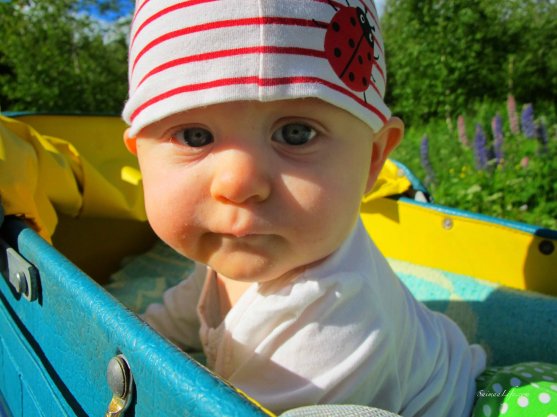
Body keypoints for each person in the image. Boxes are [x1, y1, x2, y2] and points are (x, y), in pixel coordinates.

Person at [120, 1, 556, 416]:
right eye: (195, 136)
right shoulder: (235, 245)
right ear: (140, 156)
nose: (238, 183)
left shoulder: (333, 329)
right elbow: (181, 310)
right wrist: (128, 336)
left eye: (295, 134)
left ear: (372, 159)